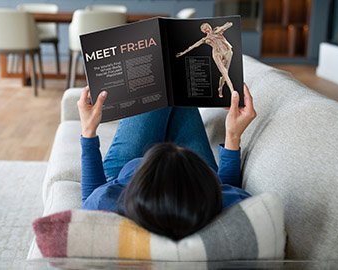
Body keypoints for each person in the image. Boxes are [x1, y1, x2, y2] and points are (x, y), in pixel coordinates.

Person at [77, 84, 256, 241]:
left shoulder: (110, 202)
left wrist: (88, 129)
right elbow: (227, 189)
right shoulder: (225, 204)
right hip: (201, 176)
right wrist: (233, 135)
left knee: (156, 84)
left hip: (124, 173)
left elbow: (90, 198)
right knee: (174, 87)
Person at [176, 22, 234, 98]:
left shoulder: (217, 30)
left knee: (225, 73)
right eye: (204, 29)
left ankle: (220, 88)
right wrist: (183, 53)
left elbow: (227, 25)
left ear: (210, 26)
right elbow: (193, 46)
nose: (206, 29)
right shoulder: (204, 39)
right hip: (217, 54)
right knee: (225, 72)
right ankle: (233, 92)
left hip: (227, 51)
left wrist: (224, 26)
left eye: (207, 26)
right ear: (203, 31)